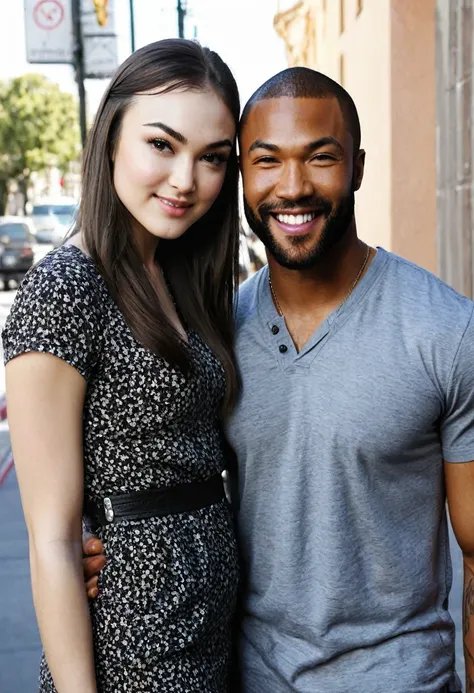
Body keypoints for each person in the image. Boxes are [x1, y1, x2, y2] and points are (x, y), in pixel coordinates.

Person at [83, 67, 474, 693]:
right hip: (246, 675)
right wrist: (103, 542)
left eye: (321, 158)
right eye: (266, 162)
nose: (292, 188)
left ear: (359, 168)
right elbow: (160, 467)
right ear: (242, 176)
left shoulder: (446, 331)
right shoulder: (214, 334)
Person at [3, 39, 242, 692]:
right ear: (111, 138)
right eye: (161, 145)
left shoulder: (185, 275)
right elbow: (51, 539)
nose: (186, 178)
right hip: (132, 638)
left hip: (212, 625)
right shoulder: (66, 289)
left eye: (213, 157)